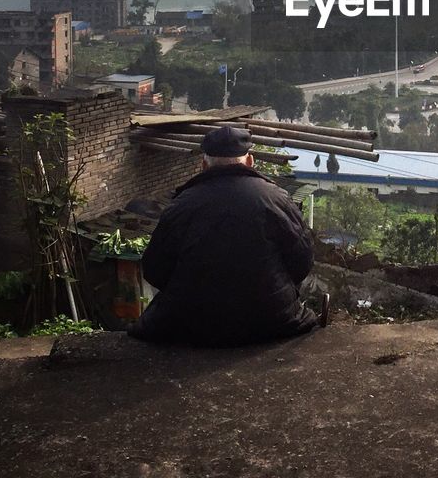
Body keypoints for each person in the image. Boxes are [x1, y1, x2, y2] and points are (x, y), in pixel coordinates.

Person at [131, 126, 319, 346]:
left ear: (203, 165)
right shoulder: (276, 198)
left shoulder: (182, 204)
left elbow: (155, 270)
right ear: (250, 161)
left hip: (189, 323)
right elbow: (302, 262)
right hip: (271, 319)